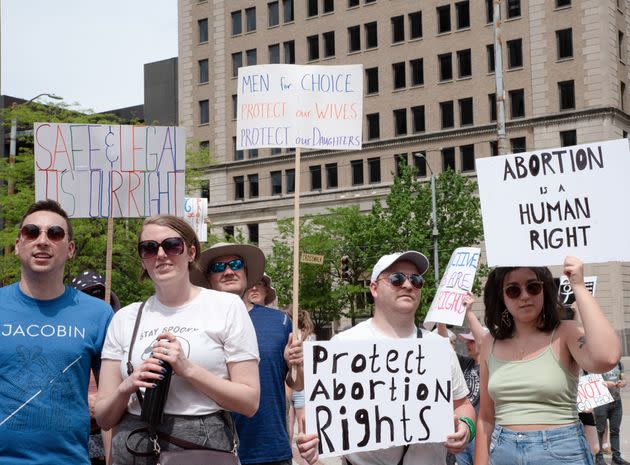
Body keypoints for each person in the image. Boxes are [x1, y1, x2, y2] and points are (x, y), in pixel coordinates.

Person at [95, 216, 260, 465]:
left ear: (191, 252)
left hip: (199, 446)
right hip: (134, 445)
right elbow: (104, 418)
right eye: (149, 248)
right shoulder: (125, 318)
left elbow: (249, 402)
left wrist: (188, 369)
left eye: (172, 245)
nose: (160, 254)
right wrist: (127, 385)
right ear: (143, 259)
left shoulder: (226, 307)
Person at [297, 251, 475, 465]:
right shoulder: (343, 345)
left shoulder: (438, 347)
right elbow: (316, 418)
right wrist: (309, 442)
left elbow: (463, 404)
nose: (408, 285)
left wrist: (466, 427)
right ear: (374, 288)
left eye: (416, 280)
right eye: (396, 279)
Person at [474, 256, 622, 465]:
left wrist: (578, 286)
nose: (524, 296)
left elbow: (607, 357)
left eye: (533, 287)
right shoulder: (490, 341)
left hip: (562, 451)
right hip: (502, 451)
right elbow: (486, 418)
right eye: (513, 290)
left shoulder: (565, 333)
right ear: (502, 296)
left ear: (544, 290)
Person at [0, 200, 114, 464]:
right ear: (18, 245)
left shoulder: (99, 314)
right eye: (32, 232)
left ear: (70, 248)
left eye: (55, 233)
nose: (42, 241)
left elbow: (109, 409)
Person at [190, 242, 304, 465]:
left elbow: (297, 384)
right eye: (219, 267)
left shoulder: (279, 321)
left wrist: (296, 365)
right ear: (208, 278)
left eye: (236, 264)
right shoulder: (194, 322)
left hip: (269, 449)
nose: (229, 271)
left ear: (245, 272)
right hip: (210, 448)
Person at [70, 271, 123, 465]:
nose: (96, 301)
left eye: (99, 294)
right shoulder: (69, 341)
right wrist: (85, 402)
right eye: (87, 296)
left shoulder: (126, 338)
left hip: (115, 432)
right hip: (76, 438)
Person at [286, 308, 315, 445]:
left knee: (289, 431)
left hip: (290, 384)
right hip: (303, 387)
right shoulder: (310, 337)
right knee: (304, 433)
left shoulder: (289, 335)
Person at [593, 360, 628, 465]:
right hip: (601, 402)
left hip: (616, 401)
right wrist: (605, 384)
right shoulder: (597, 362)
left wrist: (623, 382)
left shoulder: (619, 363)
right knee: (600, 430)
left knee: (615, 430)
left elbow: (623, 378)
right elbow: (591, 381)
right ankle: (599, 458)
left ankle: (616, 458)